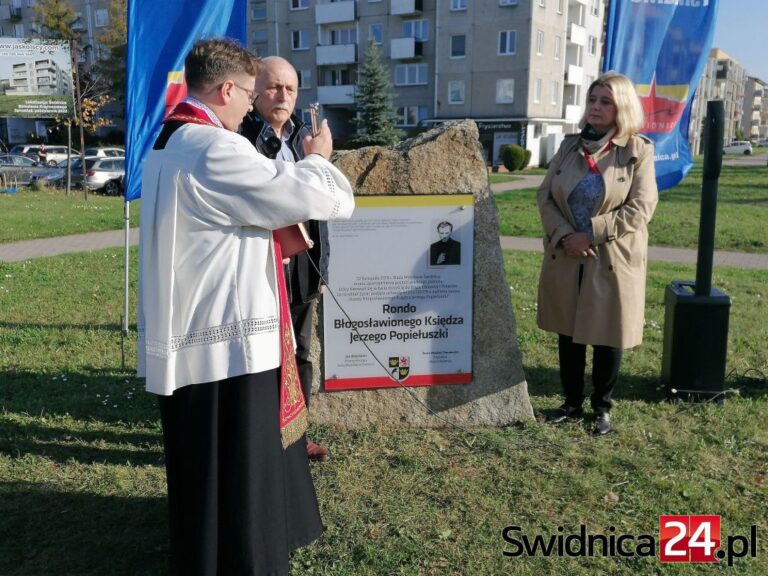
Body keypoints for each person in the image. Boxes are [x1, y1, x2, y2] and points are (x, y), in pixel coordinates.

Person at [138, 39, 355, 575]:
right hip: (226, 338)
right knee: (237, 464)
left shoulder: (170, 139)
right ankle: (245, 558)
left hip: (194, 326)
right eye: (249, 95)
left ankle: (209, 553)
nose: (249, 108)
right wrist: (319, 159)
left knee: (206, 465)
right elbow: (310, 197)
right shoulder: (215, 146)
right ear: (227, 88)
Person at [536, 71, 658, 436]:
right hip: (567, 253)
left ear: (621, 107)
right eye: (592, 100)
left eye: (605, 101)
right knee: (568, 331)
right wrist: (565, 235)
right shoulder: (569, 147)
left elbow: (641, 207)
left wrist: (590, 234)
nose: (596, 108)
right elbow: (544, 196)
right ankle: (571, 403)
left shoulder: (638, 150)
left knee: (608, 333)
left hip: (611, 257)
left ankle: (602, 408)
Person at [241, 56, 331, 462]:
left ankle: (297, 433)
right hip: (259, 268)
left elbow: (320, 208)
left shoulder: (304, 139)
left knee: (302, 352)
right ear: (254, 90)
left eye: (290, 89)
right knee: (259, 354)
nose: (282, 96)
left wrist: (322, 267)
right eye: (274, 87)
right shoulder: (240, 138)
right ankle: (258, 437)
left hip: (301, 267)